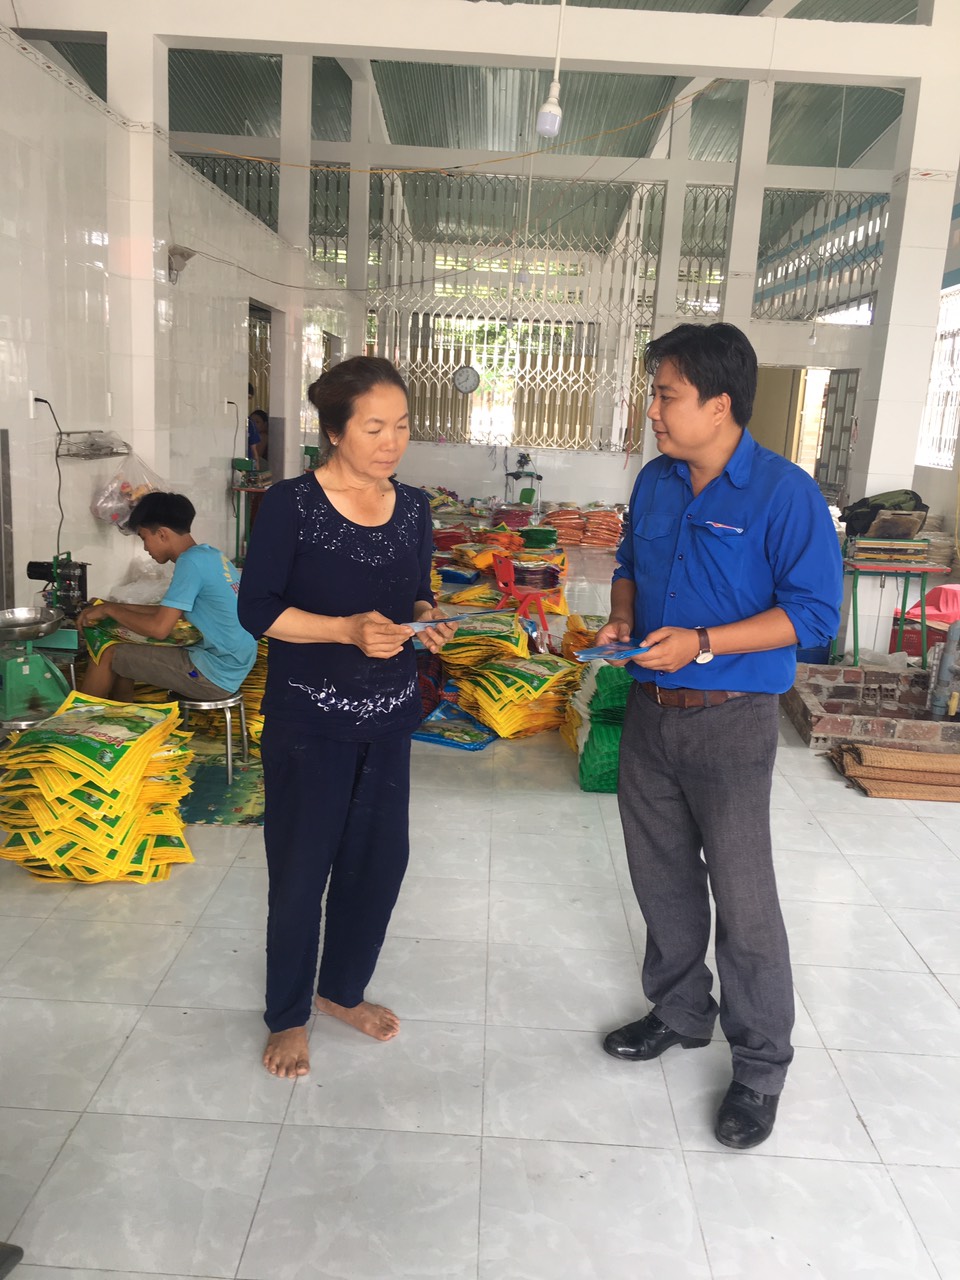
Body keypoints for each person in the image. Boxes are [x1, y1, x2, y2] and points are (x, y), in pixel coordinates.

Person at [596, 322, 841, 1150]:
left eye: (665, 396)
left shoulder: (784, 494)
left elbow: (814, 616)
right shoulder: (657, 481)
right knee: (659, 876)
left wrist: (702, 642)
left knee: (743, 897)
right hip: (650, 712)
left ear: (719, 404)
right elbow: (630, 564)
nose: (653, 411)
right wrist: (622, 617)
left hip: (731, 723)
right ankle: (679, 1012)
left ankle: (761, 1065)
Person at [237, 356, 457, 1079]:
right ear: (334, 431)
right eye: (374, 427)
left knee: (377, 865)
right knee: (301, 871)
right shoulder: (291, 505)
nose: (392, 442)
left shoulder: (413, 507)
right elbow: (256, 609)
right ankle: (288, 1015)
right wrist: (344, 630)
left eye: (402, 426)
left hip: (389, 718)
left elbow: (415, 590)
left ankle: (340, 992)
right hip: (309, 723)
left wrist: (425, 617)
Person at [79, 491, 257, 702]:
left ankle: (78, 719)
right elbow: (168, 613)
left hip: (212, 674)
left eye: (144, 538)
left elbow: (159, 628)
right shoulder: (209, 555)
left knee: (107, 652)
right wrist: (109, 606)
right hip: (233, 666)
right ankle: (120, 715)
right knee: (124, 651)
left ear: (162, 534)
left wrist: (110, 610)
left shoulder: (190, 562)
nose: (145, 548)